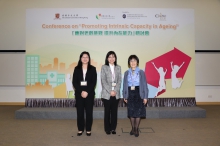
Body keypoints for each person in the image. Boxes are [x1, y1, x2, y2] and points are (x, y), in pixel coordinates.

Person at [123, 55, 148, 137]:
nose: (133, 62)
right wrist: (125, 95)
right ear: (129, 63)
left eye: (134, 61)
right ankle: (133, 128)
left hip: (139, 92)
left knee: (138, 112)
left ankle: (136, 129)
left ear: (137, 62)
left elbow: (144, 84)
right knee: (131, 112)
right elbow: (124, 85)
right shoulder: (126, 73)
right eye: (131, 61)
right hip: (130, 93)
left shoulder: (141, 72)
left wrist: (145, 97)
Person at [72, 51, 97, 136]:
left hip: (89, 94)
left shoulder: (93, 69)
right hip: (79, 94)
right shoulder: (77, 69)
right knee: (80, 112)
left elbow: (93, 82)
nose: (85, 58)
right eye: (83, 57)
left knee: (89, 112)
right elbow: (74, 82)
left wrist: (87, 92)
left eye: (87, 57)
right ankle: (80, 129)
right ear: (80, 58)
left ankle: (88, 129)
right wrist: (81, 91)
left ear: (89, 59)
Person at [101, 51, 122, 135]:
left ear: (115, 58)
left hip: (116, 94)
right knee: (107, 112)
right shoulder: (104, 67)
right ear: (107, 58)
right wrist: (110, 91)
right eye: (110, 57)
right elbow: (103, 80)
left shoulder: (118, 67)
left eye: (113, 57)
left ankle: (113, 128)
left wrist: (115, 91)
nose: (111, 58)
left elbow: (120, 80)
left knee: (114, 112)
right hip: (107, 94)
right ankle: (107, 128)